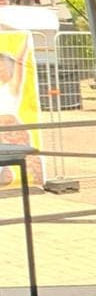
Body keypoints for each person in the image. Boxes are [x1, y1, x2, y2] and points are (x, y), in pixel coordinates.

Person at [0, 39, 45, 187]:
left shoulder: (12, 85)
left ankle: (38, 181)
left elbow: (20, 61)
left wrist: (26, 40)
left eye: (3, 66)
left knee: (30, 160)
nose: (1, 70)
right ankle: (6, 174)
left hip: (10, 128)